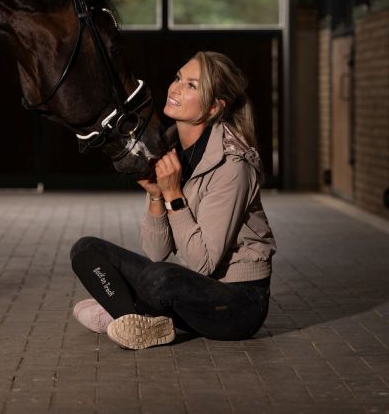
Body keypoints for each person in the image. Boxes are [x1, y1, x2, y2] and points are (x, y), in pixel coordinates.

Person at [70, 51, 276, 349]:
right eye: (179, 78)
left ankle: (127, 313)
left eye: (192, 85)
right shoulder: (169, 146)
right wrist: (156, 197)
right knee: (86, 250)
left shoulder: (234, 164)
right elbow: (156, 251)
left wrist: (173, 195)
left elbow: (202, 263)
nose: (176, 87)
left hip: (237, 303)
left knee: (161, 278)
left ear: (215, 107)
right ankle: (135, 319)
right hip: (191, 285)